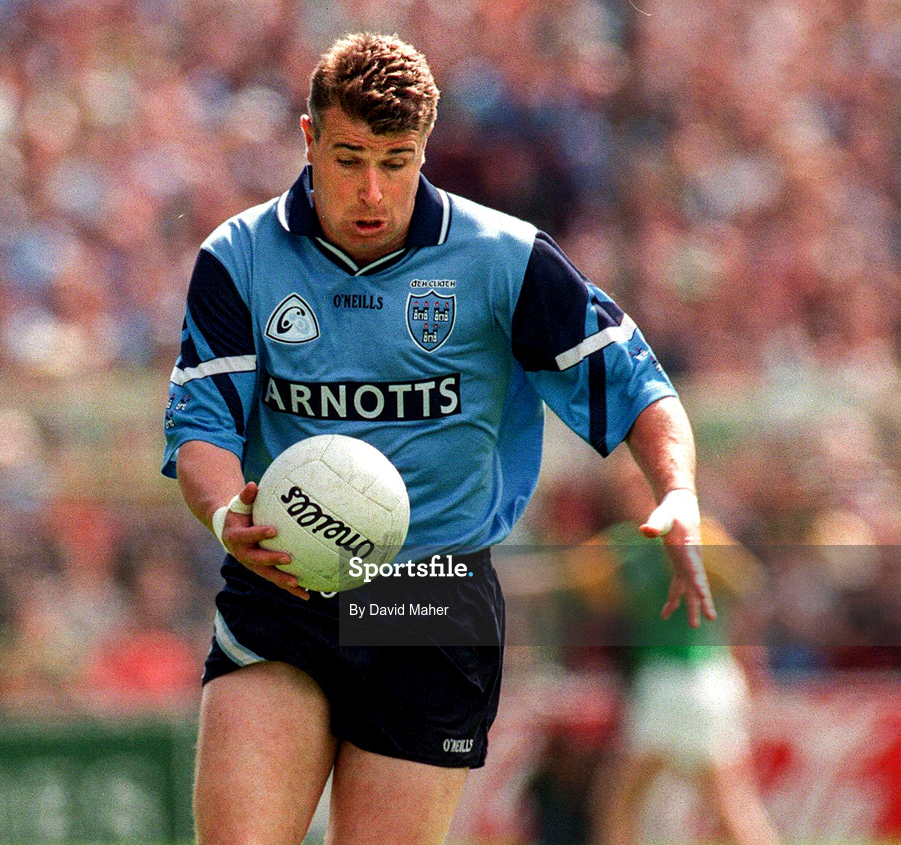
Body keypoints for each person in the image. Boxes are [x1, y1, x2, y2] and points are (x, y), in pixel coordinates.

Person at [162, 32, 714, 845]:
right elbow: (203, 428)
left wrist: (678, 491)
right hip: (286, 582)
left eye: (396, 161)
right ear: (309, 138)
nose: (372, 190)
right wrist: (224, 516)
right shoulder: (240, 257)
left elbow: (639, 388)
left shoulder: (505, 259)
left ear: (426, 148)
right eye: (349, 158)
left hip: (428, 601)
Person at [563, 457, 780, 845]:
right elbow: (571, 579)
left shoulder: (689, 535)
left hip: (686, 678)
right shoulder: (626, 543)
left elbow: (744, 584)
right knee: (715, 805)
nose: (631, 495)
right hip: (683, 680)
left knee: (641, 803)